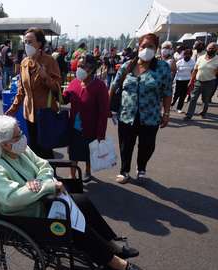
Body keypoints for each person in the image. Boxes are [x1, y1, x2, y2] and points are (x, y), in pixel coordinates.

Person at [0, 116, 144, 270]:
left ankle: (109, 243)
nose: (22, 138)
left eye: (20, 132)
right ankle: (112, 261)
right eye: (17, 136)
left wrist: (38, 183)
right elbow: (11, 197)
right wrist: (46, 186)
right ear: (4, 144)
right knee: (73, 224)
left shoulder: (21, 150)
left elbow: (44, 165)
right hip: (27, 213)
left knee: (82, 202)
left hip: (43, 199)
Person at [110, 33, 172, 184]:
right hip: (127, 115)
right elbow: (113, 86)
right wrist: (108, 106)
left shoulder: (163, 68)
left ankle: (141, 167)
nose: (146, 49)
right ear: (138, 47)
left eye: (150, 46)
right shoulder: (127, 66)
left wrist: (166, 113)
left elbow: (167, 92)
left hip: (150, 116)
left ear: (156, 49)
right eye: (143, 46)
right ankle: (124, 171)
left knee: (147, 145)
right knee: (126, 145)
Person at [5, 27, 61, 159]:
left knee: (46, 151)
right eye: (25, 42)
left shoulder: (49, 61)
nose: (27, 45)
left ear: (39, 43)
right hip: (29, 114)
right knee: (33, 150)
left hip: (45, 113)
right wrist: (11, 110)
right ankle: (36, 178)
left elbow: (57, 89)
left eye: (30, 42)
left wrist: (46, 77)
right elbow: (21, 90)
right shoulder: (24, 63)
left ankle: (50, 178)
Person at [62, 54, 110, 182]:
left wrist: (101, 133)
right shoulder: (74, 83)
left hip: (91, 128)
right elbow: (64, 98)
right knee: (73, 152)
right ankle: (72, 175)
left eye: (83, 66)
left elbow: (103, 112)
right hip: (74, 127)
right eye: (78, 66)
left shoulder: (100, 86)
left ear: (92, 68)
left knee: (89, 152)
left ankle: (88, 171)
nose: (79, 69)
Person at [184, 42, 218, 120]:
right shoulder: (201, 58)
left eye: (213, 48)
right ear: (207, 49)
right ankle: (189, 115)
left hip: (210, 82)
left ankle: (203, 112)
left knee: (205, 99)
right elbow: (195, 70)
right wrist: (191, 81)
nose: (211, 50)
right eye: (210, 48)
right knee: (193, 98)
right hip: (198, 81)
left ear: (216, 50)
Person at [171, 49, 195, 113]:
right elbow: (174, 71)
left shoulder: (193, 62)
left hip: (187, 80)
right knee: (176, 94)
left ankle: (179, 108)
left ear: (191, 55)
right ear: (183, 55)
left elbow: (193, 72)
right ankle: (172, 104)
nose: (187, 56)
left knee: (183, 95)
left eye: (189, 54)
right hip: (179, 80)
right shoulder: (179, 62)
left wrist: (192, 81)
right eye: (186, 54)